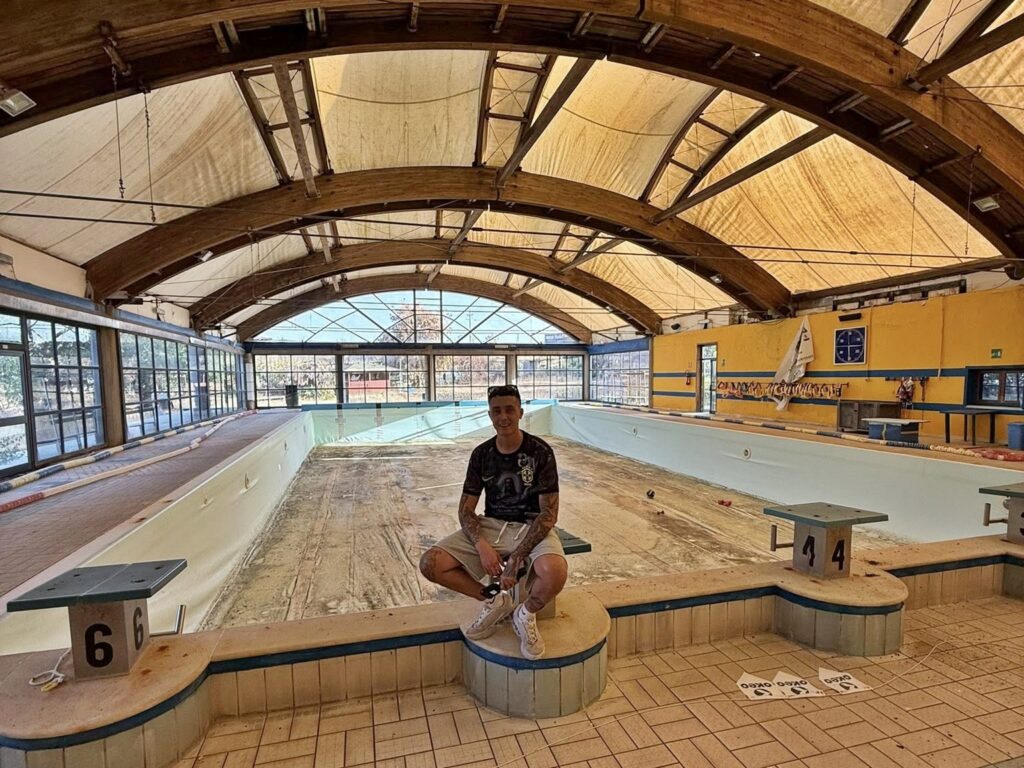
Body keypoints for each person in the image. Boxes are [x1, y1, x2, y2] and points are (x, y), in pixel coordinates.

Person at [419, 384, 567, 659]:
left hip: (531, 525)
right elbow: (466, 509)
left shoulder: (540, 452)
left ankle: (525, 614)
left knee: (555, 571)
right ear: (490, 415)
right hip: (492, 524)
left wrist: (517, 557)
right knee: (431, 563)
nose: (503, 416)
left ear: (520, 412)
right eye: (496, 411)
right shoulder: (482, 454)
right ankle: (493, 599)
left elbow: (549, 514)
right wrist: (481, 544)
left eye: (509, 409)